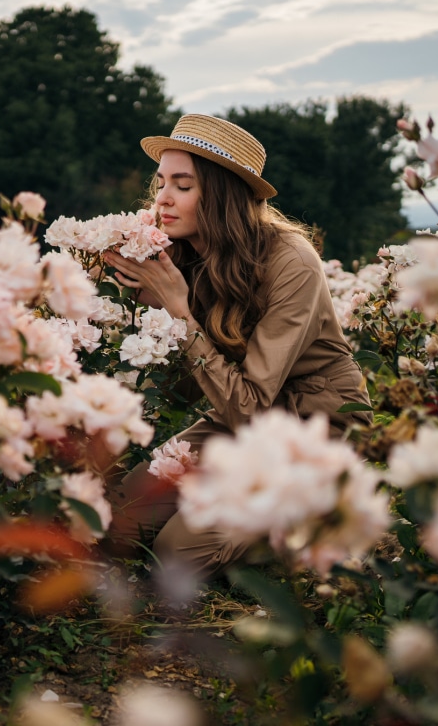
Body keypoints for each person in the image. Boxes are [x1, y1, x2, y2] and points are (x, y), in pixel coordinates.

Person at [102, 114, 371, 577]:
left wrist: (181, 315)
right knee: (121, 530)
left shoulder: (291, 262)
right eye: (161, 182)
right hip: (237, 417)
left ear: (222, 194)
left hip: (312, 424)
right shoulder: (183, 256)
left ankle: (311, 523)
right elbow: (188, 393)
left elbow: (250, 406)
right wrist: (142, 315)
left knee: (176, 556)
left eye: (183, 185)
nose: (163, 198)